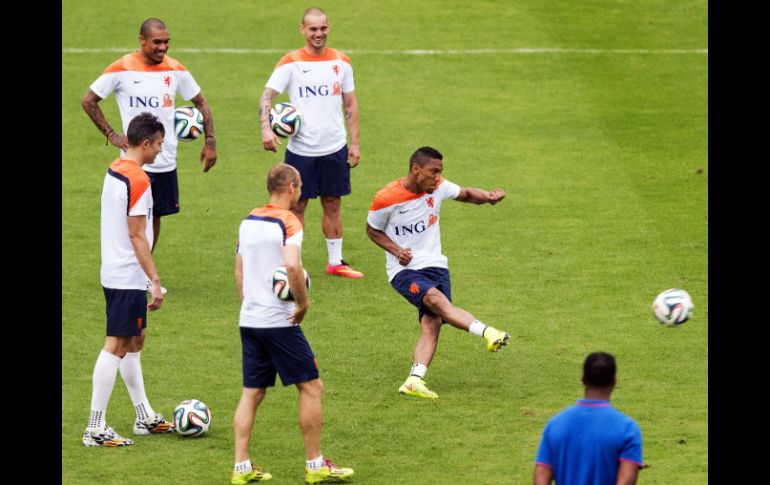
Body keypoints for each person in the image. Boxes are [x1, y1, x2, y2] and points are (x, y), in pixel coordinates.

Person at [231, 164, 354, 484]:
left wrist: (250, 305)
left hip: (250, 319)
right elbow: (291, 266)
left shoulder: (248, 220)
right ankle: (316, 466)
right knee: (312, 387)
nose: (300, 193)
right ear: (290, 188)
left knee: (251, 394)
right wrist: (302, 303)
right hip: (280, 323)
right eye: (299, 187)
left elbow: (240, 272)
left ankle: (241, 468)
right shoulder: (289, 222)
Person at [82, 17, 218, 293]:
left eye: (166, 42)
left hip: (165, 161)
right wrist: (111, 135)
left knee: (154, 218)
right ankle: (131, 273)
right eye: (157, 42)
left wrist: (211, 141)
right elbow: (89, 100)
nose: (163, 47)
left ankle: (144, 271)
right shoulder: (122, 69)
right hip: (133, 164)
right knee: (133, 220)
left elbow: (201, 101)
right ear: (142, 40)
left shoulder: (175, 69)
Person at [366, 146, 511, 400]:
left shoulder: (438, 186)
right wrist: (397, 250)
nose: (438, 177)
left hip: (437, 266)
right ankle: (489, 332)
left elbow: (466, 194)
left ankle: (414, 380)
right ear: (416, 169)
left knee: (432, 324)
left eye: (440, 172)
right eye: (434, 172)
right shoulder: (386, 198)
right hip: (405, 271)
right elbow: (372, 230)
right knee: (436, 301)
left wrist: (487, 197)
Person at [82, 112, 175, 447]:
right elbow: (137, 234)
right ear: (146, 143)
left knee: (135, 341)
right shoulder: (138, 180)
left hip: (115, 270)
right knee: (117, 345)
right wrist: (154, 277)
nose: (161, 151)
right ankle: (95, 427)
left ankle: (143, 416)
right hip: (126, 275)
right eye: (159, 144)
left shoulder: (115, 168)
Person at [259, 7, 363, 280]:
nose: (318, 34)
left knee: (333, 203)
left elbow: (350, 104)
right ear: (302, 30)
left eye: (323, 28)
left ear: (328, 28)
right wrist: (266, 128)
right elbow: (267, 96)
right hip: (301, 150)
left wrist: (355, 143)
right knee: (297, 206)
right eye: (313, 29)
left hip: (334, 147)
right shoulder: (290, 62)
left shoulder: (342, 62)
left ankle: (335, 262)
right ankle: (295, 264)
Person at [533, 352, 644, 485]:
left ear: (583, 379)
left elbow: (541, 476)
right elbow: (626, 481)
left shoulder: (555, 425)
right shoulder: (627, 429)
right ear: (614, 381)